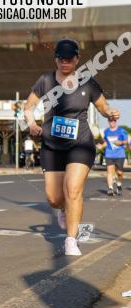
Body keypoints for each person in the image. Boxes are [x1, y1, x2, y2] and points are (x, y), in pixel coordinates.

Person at [23, 39, 119, 256]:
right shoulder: (46, 81)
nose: (65, 62)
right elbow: (29, 106)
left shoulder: (87, 82)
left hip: (80, 144)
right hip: (52, 145)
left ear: (77, 58)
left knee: (73, 190)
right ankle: (64, 209)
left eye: (69, 58)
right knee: (54, 198)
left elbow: (103, 107)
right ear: (56, 59)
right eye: (61, 58)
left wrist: (110, 113)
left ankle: (71, 240)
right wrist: (31, 123)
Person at [99, 116, 126, 196]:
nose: (112, 122)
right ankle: (110, 188)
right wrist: (101, 146)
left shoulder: (121, 130)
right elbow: (106, 142)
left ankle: (119, 185)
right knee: (109, 171)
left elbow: (125, 141)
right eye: (110, 121)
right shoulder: (106, 131)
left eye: (114, 121)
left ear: (116, 121)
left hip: (120, 154)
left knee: (119, 173)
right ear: (108, 121)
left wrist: (120, 143)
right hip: (109, 153)